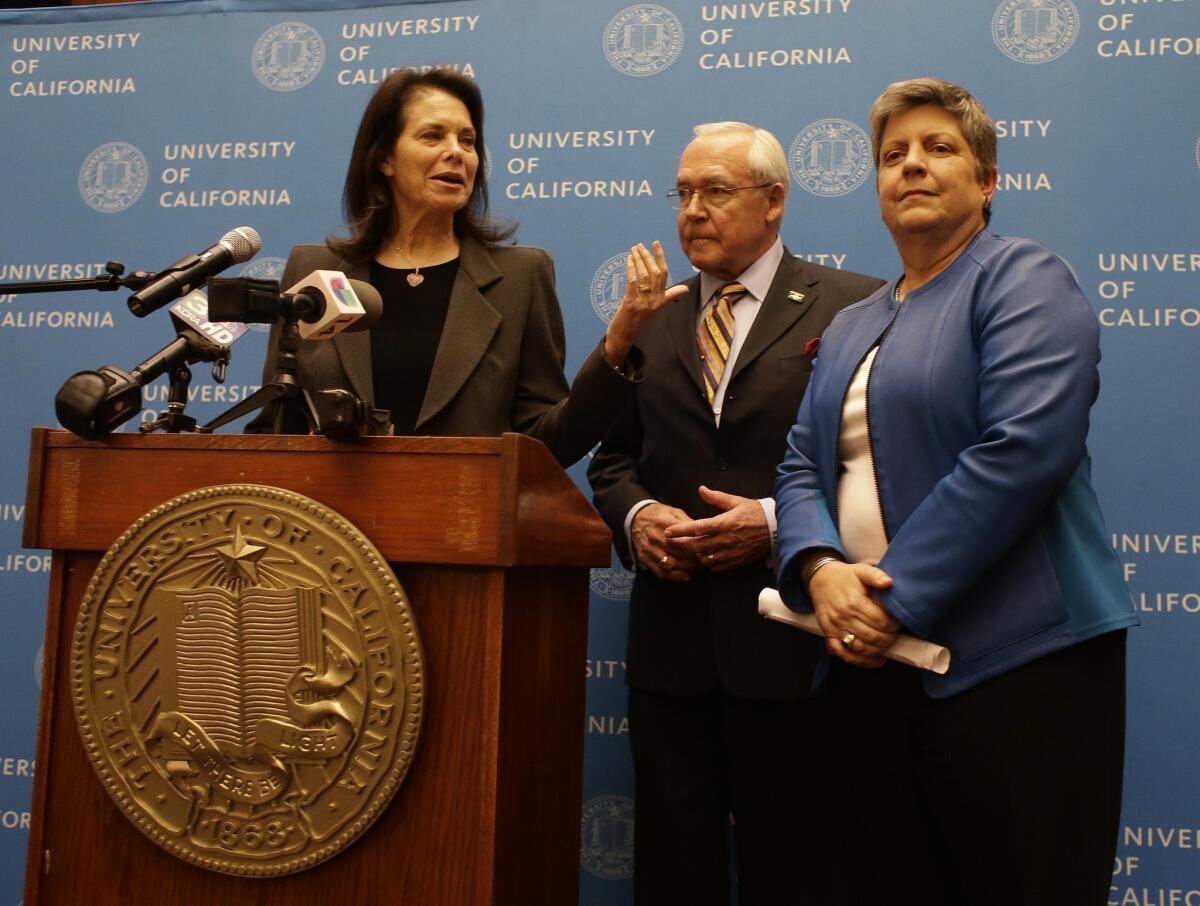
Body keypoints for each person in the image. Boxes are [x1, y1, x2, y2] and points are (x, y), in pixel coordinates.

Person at [773, 77, 1138, 906]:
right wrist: (822, 571)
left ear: (988, 181)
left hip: (1022, 664)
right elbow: (799, 466)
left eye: (940, 148)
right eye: (893, 155)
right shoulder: (856, 320)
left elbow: (1024, 448)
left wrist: (891, 598)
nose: (913, 166)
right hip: (870, 669)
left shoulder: (1023, 278)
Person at [588, 122, 883, 905]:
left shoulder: (851, 307)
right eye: (683, 193)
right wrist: (638, 515)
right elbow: (611, 456)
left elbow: (876, 465)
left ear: (775, 201)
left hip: (792, 641)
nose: (693, 211)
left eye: (715, 191)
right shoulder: (651, 316)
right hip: (671, 648)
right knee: (673, 870)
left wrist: (775, 522)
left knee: (796, 869)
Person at [247, 68, 680, 465]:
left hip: (460, 536)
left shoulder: (520, 278)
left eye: (468, 140)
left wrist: (617, 346)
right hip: (326, 540)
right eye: (433, 136)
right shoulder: (317, 271)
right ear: (385, 159)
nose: (457, 153)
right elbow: (274, 423)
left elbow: (546, 445)